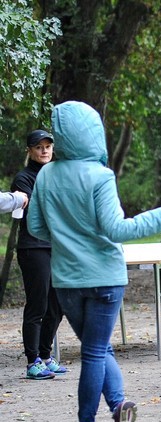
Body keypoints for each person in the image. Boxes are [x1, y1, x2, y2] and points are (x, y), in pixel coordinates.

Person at [27, 101, 161, 422]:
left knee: (98, 350)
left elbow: (37, 227)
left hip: (67, 281)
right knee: (94, 353)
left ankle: (120, 410)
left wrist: (67, 234)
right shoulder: (100, 176)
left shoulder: (46, 176)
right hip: (105, 278)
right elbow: (116, 229)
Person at [13, 129, 66, 381]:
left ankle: (46, 356)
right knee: (38, 304)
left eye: (48, 146)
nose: (44, 150)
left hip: (57, 247)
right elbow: (39, 211)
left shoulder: (58, 175)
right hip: (33, 247)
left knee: (58, 305)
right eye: (38, 147)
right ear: (30, 151)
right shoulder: (23, 179)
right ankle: (32, 361)